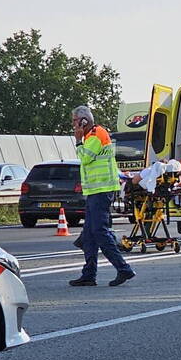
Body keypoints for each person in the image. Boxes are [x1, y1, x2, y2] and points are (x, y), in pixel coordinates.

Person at [68, 105, 136, 287]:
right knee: (89, 234)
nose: (73, 125)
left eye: (75, 121)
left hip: (101, 191)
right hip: (94, 191)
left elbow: (85, 158)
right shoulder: (93, 135)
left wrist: (78, 140)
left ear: (84, 121)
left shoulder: (96, 135)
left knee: (99, 231)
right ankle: (89, 274)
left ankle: (124, 269)